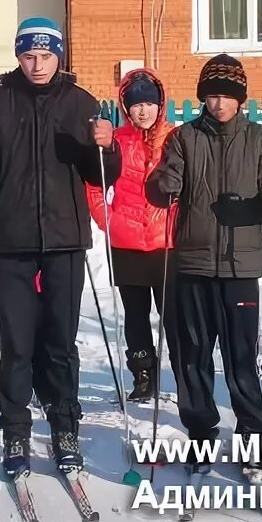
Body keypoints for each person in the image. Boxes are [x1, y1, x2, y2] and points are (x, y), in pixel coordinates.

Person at [0, 17, 121, 477]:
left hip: (66, 237)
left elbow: (102, 173)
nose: (37, 64)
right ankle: (15, 431)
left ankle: (65, 425)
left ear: (59, 56)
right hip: (11, 238)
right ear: (18, 55)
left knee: (61, 340)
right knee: (17, 340)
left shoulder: (81, 102)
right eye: (29, 55)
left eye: (46, 56)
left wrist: (105, 148)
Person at [146, 53, 262, 482]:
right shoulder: (184, 138)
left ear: (241, 99)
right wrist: (164, 186)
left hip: (239, 265)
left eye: (227, 96)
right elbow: (158, 186)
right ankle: (201, 432)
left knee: (240, 358)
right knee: (191, 356)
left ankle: (251, 438)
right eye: (211, 96)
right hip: (190, 262)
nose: (218, 104)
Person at [85, 68, 179, 401]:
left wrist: (179, 221)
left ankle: (183, 374)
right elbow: (94, 185)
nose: (143, 111)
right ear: (126, 107)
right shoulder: (116, 142)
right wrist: (106, 219)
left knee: (174, 314)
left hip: (166, 241)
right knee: (136, 315)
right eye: (135, 104)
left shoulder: (176, 138)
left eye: (149, 104)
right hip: (125, 241)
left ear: (160, 104)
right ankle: (143, 375)